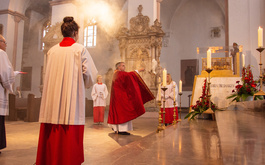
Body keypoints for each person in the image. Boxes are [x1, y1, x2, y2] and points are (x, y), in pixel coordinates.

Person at [36, 17, 98, 165]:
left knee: (52, 124)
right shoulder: (80, 49)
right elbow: (90, 74)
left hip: (52, 97)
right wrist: (85, 84)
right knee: (70, 121)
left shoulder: (52, 51)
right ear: (75, 33)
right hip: (71, 98)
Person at [107, 62, 155, 135]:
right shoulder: (119, 73)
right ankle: (121, 130)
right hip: (120, 98)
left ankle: (116, 128)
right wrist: (138, 70)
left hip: (118, 98)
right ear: (118, 67)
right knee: (124, 112)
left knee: (118, 113)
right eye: (123, 66)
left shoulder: (116, 73)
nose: (124, 67)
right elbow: (129, 75)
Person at [0, 34, 15, 154]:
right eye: (4, 43)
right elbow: (5, 72)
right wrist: (11, 79)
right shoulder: (1, 53)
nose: (5, 46)